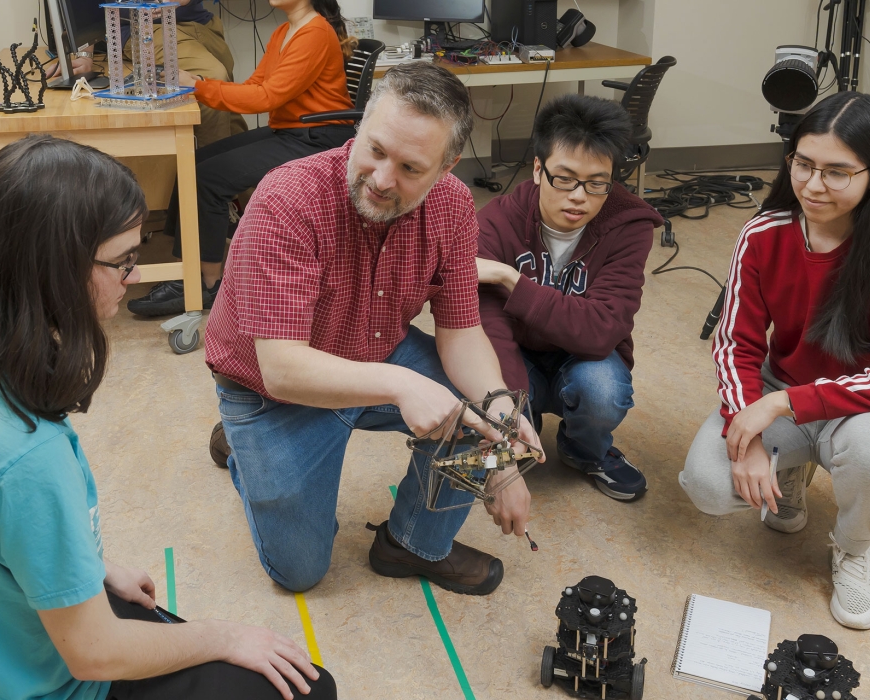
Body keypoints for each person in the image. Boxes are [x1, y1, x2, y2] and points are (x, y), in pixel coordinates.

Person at [0, 135, 334, 700]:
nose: (136, 277)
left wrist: (86, 569)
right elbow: (95, 653)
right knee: (308, 690)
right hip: (44, 683)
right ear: (53, 265)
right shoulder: (20, 452)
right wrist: (222, 635)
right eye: (123, 260)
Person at [204, 62, 545, 596]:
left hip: (374, 349)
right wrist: (401, 383)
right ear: (359, 127)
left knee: (483, 406)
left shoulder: (453, 204)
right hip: (270, 388)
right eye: (376, 151)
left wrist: (498, 422)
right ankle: (246, 447)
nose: (384, 180)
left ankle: (412, 543)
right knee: (300, 571)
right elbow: (282, 368)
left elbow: (461, 331)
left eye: (411, 167)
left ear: (447, 166)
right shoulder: (286, 200)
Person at [680, 92, 870, 630]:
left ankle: (853, 547)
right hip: (787, 393)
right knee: (707, 482)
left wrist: (778, 404)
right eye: (803, 164)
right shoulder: (763, 233)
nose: (813, 185)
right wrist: (744, 428)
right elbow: (735, 344)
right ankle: (793, 469)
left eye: (838, 172)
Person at [476, 95, 662, 502]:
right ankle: (524, 427)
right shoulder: (494, 222)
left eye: (598, 183)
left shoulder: (630, 225)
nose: (579, 196)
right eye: (565, 178)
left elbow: (601, 330)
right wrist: (512, 417)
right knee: (479, 386)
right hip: (518, 351)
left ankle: (584, 451)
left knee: (602, 389)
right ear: (538, 169)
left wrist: (512, 280)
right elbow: (489, 329)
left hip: (581, 357)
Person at [127, 0, 358, 317]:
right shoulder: (284, 31)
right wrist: (199, 85)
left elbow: (267, 97)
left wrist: (199, 87)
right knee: (193, 163)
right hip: (293, 129)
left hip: (318, 137)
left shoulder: (315, 33)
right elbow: (254, 86)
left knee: (206, 180)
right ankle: (189, 268)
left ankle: (208, 285)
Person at [50, 0, 247, 146]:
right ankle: (211, 192)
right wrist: (84, 54)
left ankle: (246, 195)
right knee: (212, 77)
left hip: (201, 24)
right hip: (145, 29)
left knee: (229, 105)